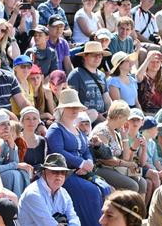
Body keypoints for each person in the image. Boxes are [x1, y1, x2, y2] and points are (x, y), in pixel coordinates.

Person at [46, 88, 106, 226]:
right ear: (62, 109)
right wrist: (81, 163)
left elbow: (85, 150)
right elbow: (57, 151)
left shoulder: (77, 129)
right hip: (63, 174)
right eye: (70, 107)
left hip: (82, 171)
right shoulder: (56, 129)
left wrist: (88, 162)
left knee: (104, 187)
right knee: (91, 191)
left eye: (76, 107)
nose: (74, 110)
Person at [90, 100, 147, 194]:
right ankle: (122, 208)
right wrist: (126, 164)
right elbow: (104, 159)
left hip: (115, 168)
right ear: (119, 117)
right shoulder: (101, 131)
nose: (126, 122)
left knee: (142, 183)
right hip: (101, 168)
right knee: (132, 185)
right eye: (126, 119)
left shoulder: (116, 132)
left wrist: (124, 137)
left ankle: (139, 209)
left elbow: (126, 157)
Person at [18, 153, 80, 226]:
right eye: (55, 171)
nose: (59, 175)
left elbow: (74, 218)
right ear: (44, 173)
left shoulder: (64, 192)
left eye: (63, 172)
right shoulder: (33, 193)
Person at [0, 109, 32, 198]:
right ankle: (15, 207)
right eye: (2, 124)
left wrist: (11, 144)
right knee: (13, 174)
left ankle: (23, 204)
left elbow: (14, 162)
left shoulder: (4, 142)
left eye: (8, 124)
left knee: (22, 172)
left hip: (0, 176)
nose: (7, 127)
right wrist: (15, 165)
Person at [67, 41, 112, 123]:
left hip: (102, 117)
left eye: (100, 55)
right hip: (83, 118)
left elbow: (107, 99)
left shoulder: (102, 75)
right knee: (93, 113)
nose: (98, 58)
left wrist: (111, 116)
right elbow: (71, 101)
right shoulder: (76, 74)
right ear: (85, 56)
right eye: (94, 55)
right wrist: (97, 116)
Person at [136, 50, 162, 115]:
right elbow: (138, 76)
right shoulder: (143, 76)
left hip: (159, 112)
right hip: (145, 112)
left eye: (158, 62)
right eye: (152, 62)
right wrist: (148, 59)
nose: (155, 64)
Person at [20, 106, 48, 174]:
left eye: (34, 118)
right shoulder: (17, 139)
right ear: (22, 121)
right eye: (27, 119)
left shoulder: (42, 141)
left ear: (38, 121)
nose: (31, 121)